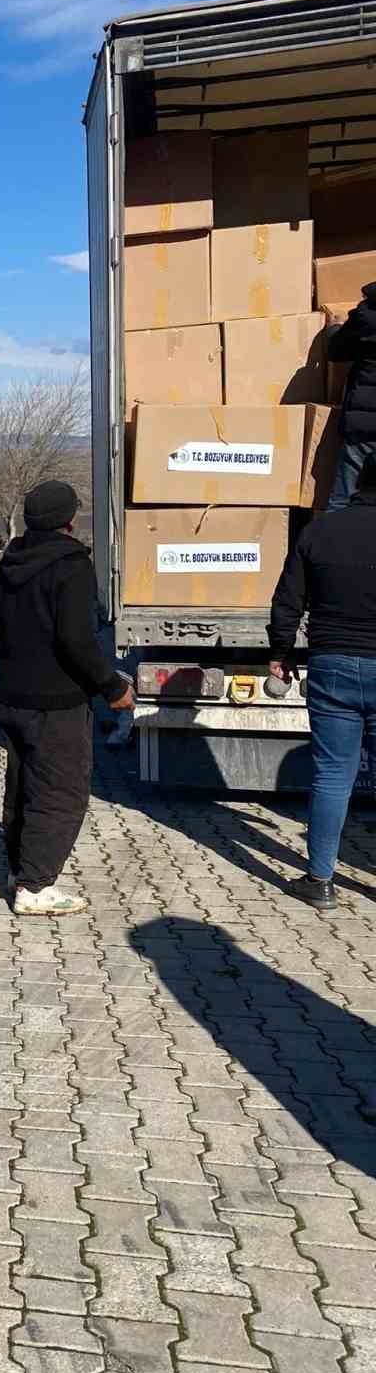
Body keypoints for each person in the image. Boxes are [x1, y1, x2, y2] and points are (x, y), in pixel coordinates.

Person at [0, 480, 135, 917]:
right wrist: (112, 688)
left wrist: (17, 663)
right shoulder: (71, 566)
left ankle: (19, 868)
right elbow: (77, 640)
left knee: (23, 785)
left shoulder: (8, 562)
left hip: (12, 694)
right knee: (61, 792)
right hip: (57, 702)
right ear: (69, 519)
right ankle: (35, 886)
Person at [268, 452, 376, 909]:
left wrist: (280, 652)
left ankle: (320, 881)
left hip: (331, 662)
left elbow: (288, 597)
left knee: (332, 775)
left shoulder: (320, 531)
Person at [326, 283, 376, 509]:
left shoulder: (368, 314)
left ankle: (329, 542)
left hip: (364, 427)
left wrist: (333, 329)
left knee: (343, 501)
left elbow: (337, 350)